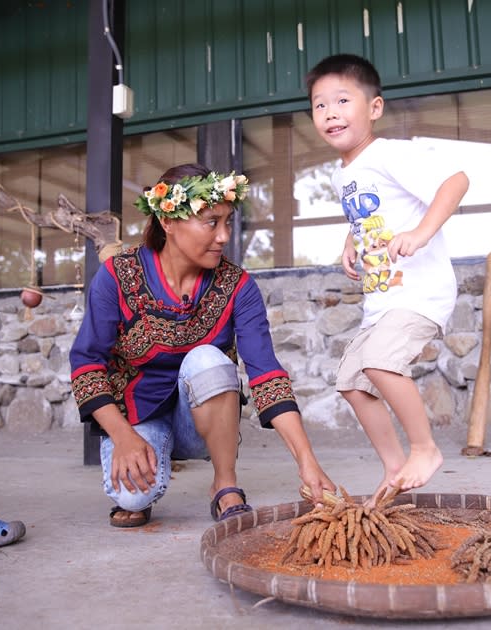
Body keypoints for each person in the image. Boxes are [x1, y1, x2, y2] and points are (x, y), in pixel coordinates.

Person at [69, 163, 335, 527]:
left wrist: (307, 462)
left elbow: (266, 373)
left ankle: (225, 485)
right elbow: (86, 364)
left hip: (202, 423)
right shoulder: (117, 275)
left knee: (207, 360)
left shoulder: (237, 286)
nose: (224, 236)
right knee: (132, 496)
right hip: (135, 416)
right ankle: (145, 459)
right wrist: (122, 437)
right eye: (211, 222)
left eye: (228, 222)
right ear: (168, 222)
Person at [305, 54, 470, 500]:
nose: (330, 112)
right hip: (382, 301)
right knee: (352, 381)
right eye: (320, 105)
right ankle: (395, 466)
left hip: (418, 293)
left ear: (374, 108)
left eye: (342, 100)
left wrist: (421, 232)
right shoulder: (345, 175)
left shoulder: (390, 153)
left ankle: (424, 449)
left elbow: (455, 181)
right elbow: (369, 214)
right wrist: (349, 240)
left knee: (379, 362)